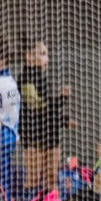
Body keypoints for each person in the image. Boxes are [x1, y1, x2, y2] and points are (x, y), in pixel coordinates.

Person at [17, 39, 70, 184]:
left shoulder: (43, 78)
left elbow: (47, 108)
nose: (47, 58)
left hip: (50, 133)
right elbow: (37, 104)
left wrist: (63, 120)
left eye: (47, 54)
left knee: (52, 178)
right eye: (43, 54)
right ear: (29, 56)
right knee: (33, 179)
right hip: (33, 135)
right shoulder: (25, 79)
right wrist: (61, 98)